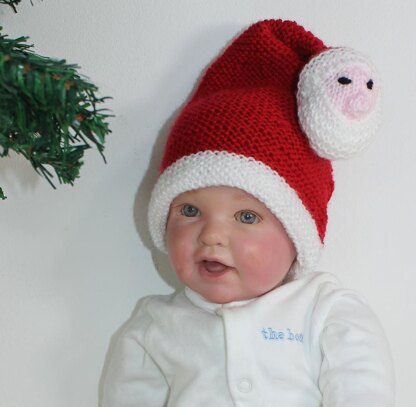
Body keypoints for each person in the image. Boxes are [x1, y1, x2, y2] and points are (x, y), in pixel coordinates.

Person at [102, 19, 395, 406]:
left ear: (296, 235)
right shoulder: (154, 328)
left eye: (246, 217)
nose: (211, 235)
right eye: (190, 210)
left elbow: (364, 390)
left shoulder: (324, 311)